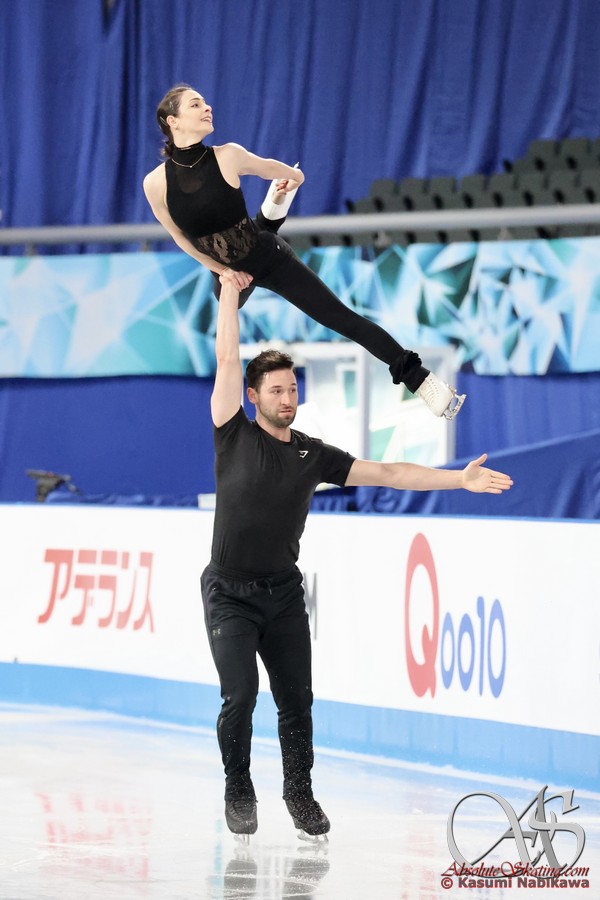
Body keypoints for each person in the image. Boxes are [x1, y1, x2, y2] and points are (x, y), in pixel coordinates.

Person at [201, 272, 513, 841]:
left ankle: (299, 792)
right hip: (229, 593)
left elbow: (390, 472)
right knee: (240, 695)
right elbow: (226, 357)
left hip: (282, 594)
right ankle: (238, 787)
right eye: (276, 391)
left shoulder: (312, 455)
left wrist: (459, 480)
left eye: (292, 389)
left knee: (297, 700)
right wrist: (228, 289)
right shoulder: (232, 433)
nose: (288, 399)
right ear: (253, 397)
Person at [143, 83, 466, 420]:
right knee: (226, 336)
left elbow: (273, 167)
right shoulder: (155, 184)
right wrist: (222, 271)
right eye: (196, 104)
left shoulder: (228, 155)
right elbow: (180, 238)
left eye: (206, 102)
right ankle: (269, 217)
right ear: (172, 121)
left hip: (268, 257)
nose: (207, 107)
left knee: (341, 318)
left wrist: (293, 176)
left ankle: (423, 382)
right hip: (226, 271)